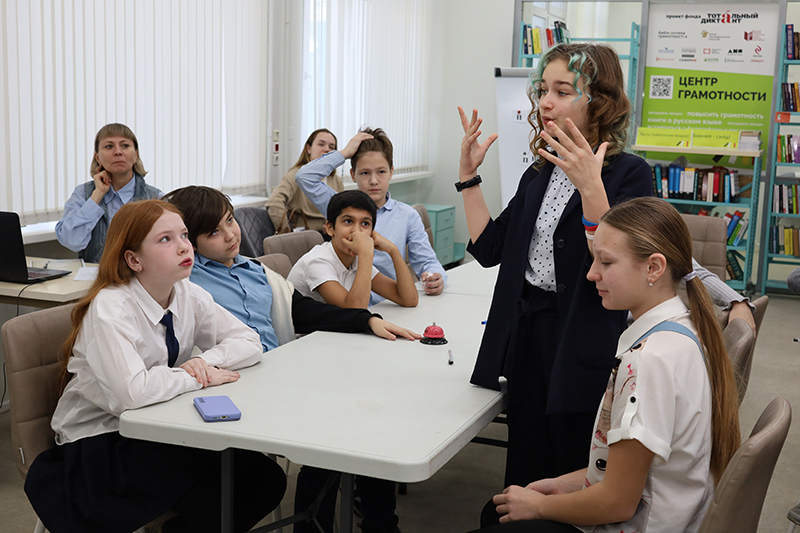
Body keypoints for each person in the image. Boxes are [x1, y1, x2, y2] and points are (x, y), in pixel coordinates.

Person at [470, 196, 741, 533]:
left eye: (606, 262)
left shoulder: (649, 361)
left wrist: (539, 506)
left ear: (654, 268)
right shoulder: (684, 330)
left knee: (502, 513)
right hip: (669, 511)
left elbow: (617, 503)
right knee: (497, 511)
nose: (591, 273)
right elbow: (632, 471)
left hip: (635, 524)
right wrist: (565, 484)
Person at [459, 43, 654, 501]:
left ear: (599, 100)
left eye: (562, 91)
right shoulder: (539, 173)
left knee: (574, 462)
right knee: (525, 461)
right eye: (543, 90)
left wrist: (590, 186)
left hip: (584, 341)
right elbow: (490, 248)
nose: (545, 102)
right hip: (528, 336)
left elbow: (619, 263)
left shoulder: (630, 174)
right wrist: (468, 177)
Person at [25, 200, 286, 533]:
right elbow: (131, 395)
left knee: (263, 479)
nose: (184, 247)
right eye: (165, 239)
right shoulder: (112, 307)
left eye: (184, 235)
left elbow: (248, 341)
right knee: (223, 492)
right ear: (134, 260)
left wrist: (203, 362)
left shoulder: (186, 292)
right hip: (103, 439)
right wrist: (194, 377)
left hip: (161, 422)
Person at [163, 185, 421, 349]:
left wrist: (367, 320)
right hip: (230, 376)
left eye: (230, 220)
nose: (230, 235)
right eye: (214, 232)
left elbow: (304, 311)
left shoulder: (256, 271)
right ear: (190, 241)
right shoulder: (186, 282)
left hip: (275, 364)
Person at [295, 127, 447, 302]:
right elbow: (304, 177)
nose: (373, 181)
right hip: (349, 304)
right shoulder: (341, 207)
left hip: (391, 303)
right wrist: (344, 153)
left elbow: (427, 261)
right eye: (365, 173)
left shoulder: (407, 215)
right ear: (353, 175)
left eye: (381, 172)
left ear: (391, 172)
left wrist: (435, 276)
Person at [288, 190, 419, 309]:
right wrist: (366, 253)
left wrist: (393, 250)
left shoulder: (355, 260)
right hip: (305, 329)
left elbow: (409, 299)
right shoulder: (317, 261)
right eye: (348, 221)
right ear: (330, 228)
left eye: (365, 224)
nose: (357, 231)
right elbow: (354, 311)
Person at [56, 123, 162, 263]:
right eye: (109, 146)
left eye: (125, 145)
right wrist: (97, 195)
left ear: (135, 155)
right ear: (97, 157)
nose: (118, 152)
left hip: (141, 274)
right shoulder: (83, 193)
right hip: (96, 275)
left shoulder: (156, 198)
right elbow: (71, 241)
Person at [266, 128, 344, 233]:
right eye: (321, 144)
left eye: (332, 147)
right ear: (308, 148)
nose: (326, 149)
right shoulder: (295, 176)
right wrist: (287, 233)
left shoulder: (336, 180)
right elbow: (274, 203)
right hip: (306, 235)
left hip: (330, 235)